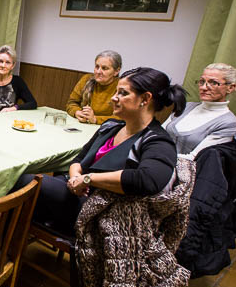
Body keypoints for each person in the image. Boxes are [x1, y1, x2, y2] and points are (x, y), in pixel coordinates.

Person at [20, 67, 186, 234]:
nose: (114, 98)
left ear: (145, 98)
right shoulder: (110, 126)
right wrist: (75, 178)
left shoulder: (158, 141)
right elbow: (78, 159)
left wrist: (88, 179)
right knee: (28, 187)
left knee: (27, 183)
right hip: (80, 193)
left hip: (104, 209)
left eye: (123, 93)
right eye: (116, 92)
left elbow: (148, 180)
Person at [163, 63, 236, 160]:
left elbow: (194, 158)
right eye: (202, 81)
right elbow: (157, 133)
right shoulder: (186, 106)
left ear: (230, 88)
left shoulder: (229, 123)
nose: (203, 87)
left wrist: (156, 155)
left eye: (214, 83)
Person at [66, 50, 122, 124]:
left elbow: (122, 117)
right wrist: (77, 112)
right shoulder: (86, 79)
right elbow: (71, 103)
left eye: (104, 68)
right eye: (97, 67)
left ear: (116, 71)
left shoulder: (122, 87)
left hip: (105, 128)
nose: (98, 72)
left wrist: (95, 119)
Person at [0, 45, 37, 114]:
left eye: (8, 62)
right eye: (0, 61)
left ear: (13, 65)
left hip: (8, 119)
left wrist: (14, 108)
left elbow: (32, 103)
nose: (3, 65)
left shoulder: (18, 81)